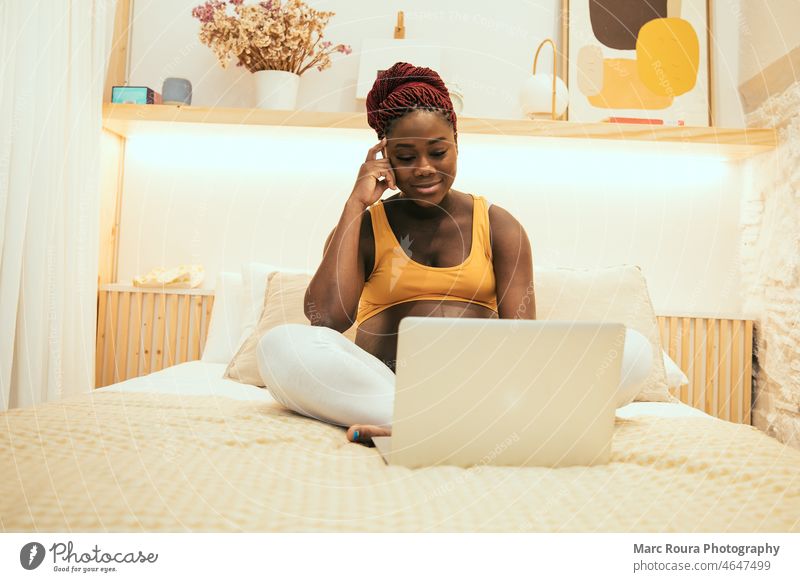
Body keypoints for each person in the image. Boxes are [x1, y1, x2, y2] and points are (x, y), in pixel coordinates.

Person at [257, 62, 652, 446]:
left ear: (457, 146)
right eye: (407, 157)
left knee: (632, 350)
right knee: (282, 346)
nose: (425, 168)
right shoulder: (363, 227)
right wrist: (354, 205)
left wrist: (508, 390)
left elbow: (524, 342)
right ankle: (454, 425)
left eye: (438, 152)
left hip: (487, 390)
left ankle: (439, 424)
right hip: (387, 389)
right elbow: (323, 320)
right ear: (385, 160)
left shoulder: (500, 226)